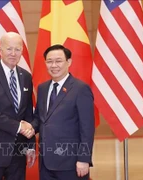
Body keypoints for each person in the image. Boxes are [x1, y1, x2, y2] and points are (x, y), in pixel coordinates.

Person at [0, 32, 36, 180]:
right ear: (0, 50)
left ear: (22, 51)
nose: (13, 53)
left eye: (17, 49)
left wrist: (30, 145)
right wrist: (18, 127)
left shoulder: (26, 76)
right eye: (9, 49)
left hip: (18, 153)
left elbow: (28, 113)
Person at [31, 44, 95, 180]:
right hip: (46, 163)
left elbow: (87, 128)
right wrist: (27, 127)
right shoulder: (42, 88)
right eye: (49, 61)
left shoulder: (80, 89)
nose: (54, 65)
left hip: (71, 164)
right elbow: (40, 118)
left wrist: (84, 159)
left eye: (58, 61)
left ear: (69, 62)